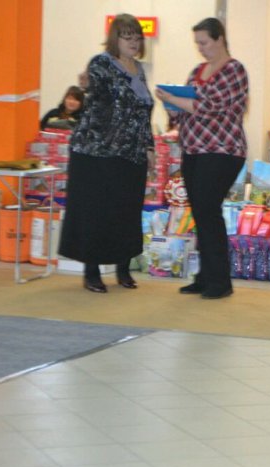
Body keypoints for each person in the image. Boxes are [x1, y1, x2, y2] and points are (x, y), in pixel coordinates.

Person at [58, 14, 154, 293]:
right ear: (115, 38)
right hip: (97, 152)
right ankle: (92, 273)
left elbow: (142, 113)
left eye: (137, 37)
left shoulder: (139, 69)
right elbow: (97, 94)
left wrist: (149, 146)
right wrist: (87, 86)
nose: (133, 42)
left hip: (131, 154)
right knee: (96, 212)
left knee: (126, 211)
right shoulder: (101, 64)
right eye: (127, 37)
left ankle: (123, 269)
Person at [155, 17, 247, 300]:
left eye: (204, 42)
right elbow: (182, 113)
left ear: (220, 39)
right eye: (197, 43)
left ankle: (220, 281)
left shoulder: (234, 70)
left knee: (209, 211)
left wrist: (175, 98)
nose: (201, 48)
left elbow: (210, 107)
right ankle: (205, 276)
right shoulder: (198, 71)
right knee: (201, 214)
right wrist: (170, 103)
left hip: (222, 152)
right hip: (194, 150)